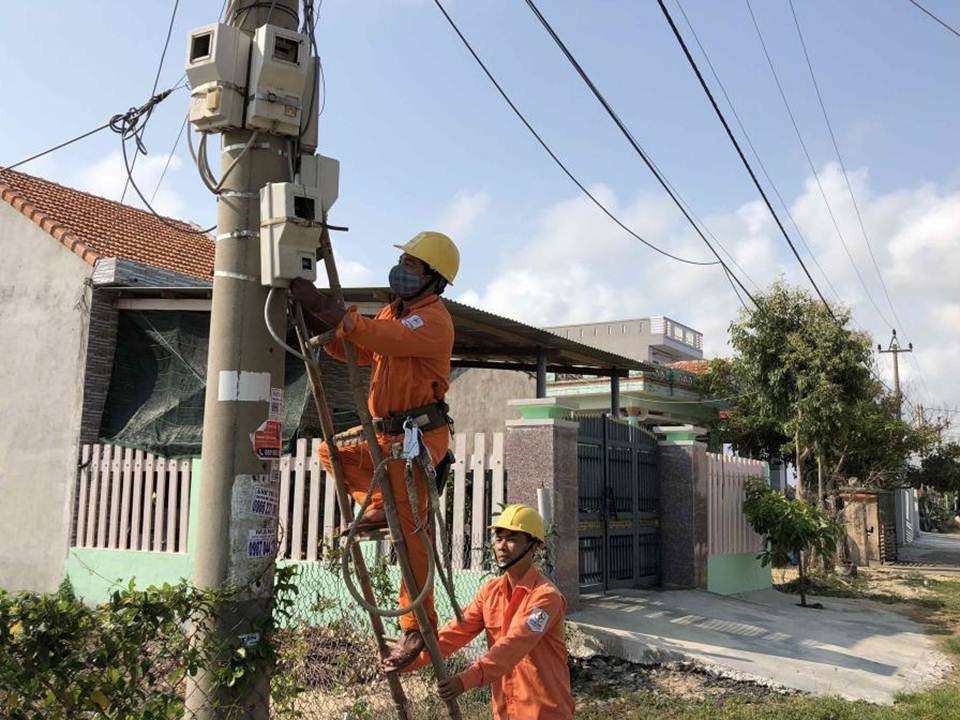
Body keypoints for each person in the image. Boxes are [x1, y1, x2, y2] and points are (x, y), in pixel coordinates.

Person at [290, 230, 459, 668]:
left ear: (433, 279)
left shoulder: (432, 320)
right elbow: (364, 350)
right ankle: (381, 503)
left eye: (411, 266)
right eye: (402, 262)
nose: (401, 271)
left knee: (411, 537)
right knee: (331, 454)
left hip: (416, 438)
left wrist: (325, 305)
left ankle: (417, 630)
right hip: (385, 436)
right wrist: (326, 330)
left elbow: (383, 339)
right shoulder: (394, 311)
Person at [386, 504, 575, 720]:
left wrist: (465, 680)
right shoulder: (491, 591)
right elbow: (455, 632)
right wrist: (406, 660)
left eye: (512, 539)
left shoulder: (546, 597)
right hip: (505, 713)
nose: (502, 546)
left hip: (546, 713)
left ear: (534, 547)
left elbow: (513, 645)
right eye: (498, 538)